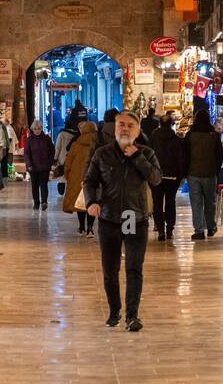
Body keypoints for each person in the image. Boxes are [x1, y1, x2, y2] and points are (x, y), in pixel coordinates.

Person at [84, 111, 162, 332]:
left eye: (130, 125)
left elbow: (155, 179)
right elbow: (90, 180)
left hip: (134, 218)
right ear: (114, 128)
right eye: (121, 125)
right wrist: (92, 202)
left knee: (133, 268)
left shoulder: (147, 153)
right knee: (110, 269)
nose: (125, 129)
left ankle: (132, 315)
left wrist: (136, 156)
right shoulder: (103, 154)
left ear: (137, 131)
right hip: (109, 218)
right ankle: (114, 311)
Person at [184, 102, 223, 240]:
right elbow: (220, 155)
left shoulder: (190, 135)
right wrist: (216, 169)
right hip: (210, 173)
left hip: (193, 173)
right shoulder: (214, 135)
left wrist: (185, 171)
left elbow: (185, 155)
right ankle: (211, 227)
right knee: (210, 202)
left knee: (196, 203)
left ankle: (199, 230)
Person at [147, 110, 186, 240]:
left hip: (156, 175)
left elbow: (148, 156)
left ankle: (160, 230)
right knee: (170, 201)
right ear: (171, 124)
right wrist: (181, 175)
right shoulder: (176, 139)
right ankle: (170, 228)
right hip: (172, 176)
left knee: (157, 202)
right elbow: (180, 158)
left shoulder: (153, 137)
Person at [62, 120, 101, 236]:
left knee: (80, 202)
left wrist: (68, 175)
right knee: (92, 200)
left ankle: (81, 227)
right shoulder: (98, 145)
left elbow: (68, 162)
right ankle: (90, 228)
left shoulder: (76, 145)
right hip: (94, 176)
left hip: (77, 177)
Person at [24, 120, 55, 210]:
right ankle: (36, 203)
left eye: (39, 128)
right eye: (35, 129)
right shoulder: (29, 140)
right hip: (33, 167)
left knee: (43, 185)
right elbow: (26, 153)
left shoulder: (46, 139)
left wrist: (50, 162)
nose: (37, 130)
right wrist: (29, 164)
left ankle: (44, 201)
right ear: (32, 129)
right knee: (34, 186)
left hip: (45, 166)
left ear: (41, 128)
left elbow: (52, 151)